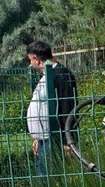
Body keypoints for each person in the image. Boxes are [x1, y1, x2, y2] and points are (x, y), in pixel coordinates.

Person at [25, 41, 78, 178]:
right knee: (44, 180)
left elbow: (68, 107)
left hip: (55, 140)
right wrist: (37, 137)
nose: (30, 64)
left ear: (36, 59)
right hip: (44, 140)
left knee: (51, 181)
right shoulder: (46, 76)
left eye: (30, 60)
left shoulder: (61, 74)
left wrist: (68, 140)